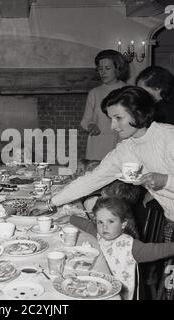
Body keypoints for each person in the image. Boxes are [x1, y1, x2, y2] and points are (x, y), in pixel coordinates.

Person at [29, 86, 174, 236]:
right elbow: (92, 179)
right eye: (111, 119)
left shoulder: (168, 137)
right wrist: (50, 203)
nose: (112, 126)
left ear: (138, 113)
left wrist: (166, 181)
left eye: (118, 118)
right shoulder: (125, 149)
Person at [70, 197, 174, 300]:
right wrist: (70, 218)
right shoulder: (100, 234)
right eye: (100, 222)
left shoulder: (131, 246)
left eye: (111, 221)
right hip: (104, 287)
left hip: (124, 295)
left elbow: (158, 250)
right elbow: (87, 225)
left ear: (123, 224)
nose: (104, 227)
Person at [80, 49, 129, 160]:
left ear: (118, 69)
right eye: (100, 69)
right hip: (97, 145)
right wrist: (90, 126)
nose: (103, 72)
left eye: (107, 68)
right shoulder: (94, 93)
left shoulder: (128, 91)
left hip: (120, 144)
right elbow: (85, 120)